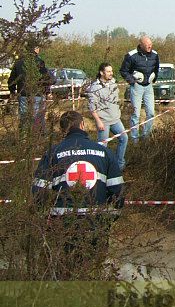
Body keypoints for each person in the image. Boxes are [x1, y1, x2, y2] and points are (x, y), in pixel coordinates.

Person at [32, 110, 124, 279]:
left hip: (63, 225)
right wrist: (111, 218)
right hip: (96, 223)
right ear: (82, 125)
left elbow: (39, 191)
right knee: (93, 269)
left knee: (65, 270)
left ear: (62, 131)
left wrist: (44, 218)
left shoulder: (53, 153)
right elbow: (117, 190)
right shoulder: (104, 152)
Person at [86, 63, 128, 170]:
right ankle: (101, 168)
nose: (111, 73)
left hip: (115, 119)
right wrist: (98, 121)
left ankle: (119, 165)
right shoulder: (95, 88)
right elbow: (92, 107)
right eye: (108, 71)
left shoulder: (113, 83)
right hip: (103, 120)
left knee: (124, 138)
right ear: (101, 72)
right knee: (102, 146)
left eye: (111, 71)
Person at [119, 35, 159, 142]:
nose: (149, 47)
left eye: (150, 45)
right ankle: (134, 138)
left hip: (149, 86)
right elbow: (123, 71)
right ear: (141, 45)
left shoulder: (155, 55)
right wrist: (132, 80)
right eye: (147, 45)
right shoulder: (131, 55)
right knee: (135, 113)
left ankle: (146, 136)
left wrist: (154, 78)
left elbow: (156, 68)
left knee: (151, 113)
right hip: (137, 86)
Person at [8, 42, 53, 132]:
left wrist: (12, 91)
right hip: (37, 94)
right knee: (37, 117)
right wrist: (47, 91)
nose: (39, 50)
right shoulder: (39, 62)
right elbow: (46, 78)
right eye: (37, 48)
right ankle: (38, 136)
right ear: (35, 50)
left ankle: (24, 137)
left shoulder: (18, 63)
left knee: (24, 118)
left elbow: (12, 80)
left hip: (23, 93)